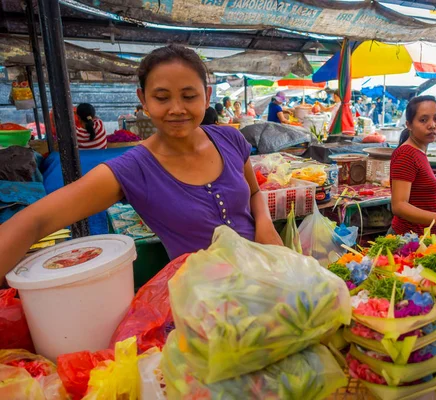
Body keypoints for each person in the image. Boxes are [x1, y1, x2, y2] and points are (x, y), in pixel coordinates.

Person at [0, 44, 282, 281]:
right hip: (203, 308)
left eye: (189, 96)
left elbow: (254, 192)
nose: (176, 108)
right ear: (143, 100)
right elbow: (34, 222)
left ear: (207, 96)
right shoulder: (132, 170)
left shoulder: (229, 139)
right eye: (161, 97)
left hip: (268, 277)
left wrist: (266, 227)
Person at [390, 95, 436, 236]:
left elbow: (415, 192)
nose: (432, 125)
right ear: (409, 125)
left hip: (422, 237)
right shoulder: (406, 154)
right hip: (407, 239)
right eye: (423, 120)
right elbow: (399, 205)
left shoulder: (419, 151)